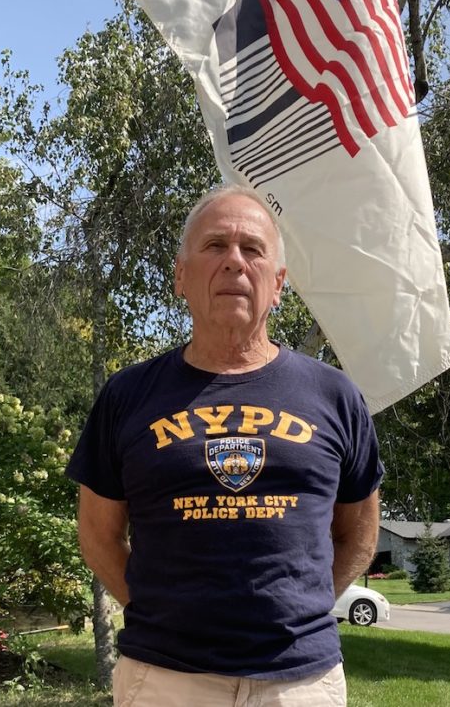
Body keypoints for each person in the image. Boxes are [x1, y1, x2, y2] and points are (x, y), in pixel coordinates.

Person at [66, 184, 383, 706]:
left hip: (300, 682)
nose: (234, 261)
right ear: (181, 277)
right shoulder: (128, 396)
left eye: (253, 249)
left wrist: (299, 613)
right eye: (215, 246)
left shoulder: (335, 396)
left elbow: (360, 537)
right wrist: (158, 614)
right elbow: (98, 537)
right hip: (165, 679)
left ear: (278, 284)